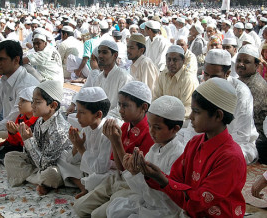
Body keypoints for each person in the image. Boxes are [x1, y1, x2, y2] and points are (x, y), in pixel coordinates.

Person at [135, 78, 247, 218]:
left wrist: (162, 179)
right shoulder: (195, 143)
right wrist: (151, 174)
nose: (191, 116)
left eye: (196, 111)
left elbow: (198, 201)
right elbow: (175, 179)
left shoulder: (231, 157)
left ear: (218, 115)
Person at [73, 81, 154, 218]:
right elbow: (118, 165)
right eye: (120, 105)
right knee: (79, 208)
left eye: (126, 105)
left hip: (133, 185)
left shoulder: (149, 133)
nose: (121, 110)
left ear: (143, 107)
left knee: (97, 215)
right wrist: (113, 140)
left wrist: (115, 142)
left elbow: (131, 170)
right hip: (118, 177)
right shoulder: (124, 127)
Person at [106, 95, 186, 218]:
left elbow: (165, 198)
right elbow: (142, 190)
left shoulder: (177, 156)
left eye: (157, 127)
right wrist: (132, 171)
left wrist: (136, 175)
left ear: (175, 129)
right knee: (114, 209)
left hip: (164, 210)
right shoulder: (155, 148)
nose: (151, 131)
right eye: (149, 125)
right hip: (148, 202)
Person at [4, 80, 71, 196]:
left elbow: (46, 165)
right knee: (10, 157)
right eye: (32, 101)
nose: (33, 106)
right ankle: (38, 181)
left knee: (51, 175)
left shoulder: (58, 129)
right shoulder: (41, 120)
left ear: (53, 105)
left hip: (56, 168)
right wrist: (29, 140)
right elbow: (31, 154)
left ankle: (37, 180)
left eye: (37, 102)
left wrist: (28, 141)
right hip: (39, 163)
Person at [58, 87, 112, 199]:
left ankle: (84, 185)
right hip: (89, 170)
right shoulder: (87, 127)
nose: (77, 116)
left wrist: (80, 148)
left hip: (102, 174)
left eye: (81, 112)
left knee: (99, 178)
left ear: (98, 114)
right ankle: (83, 185)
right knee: (61, 157)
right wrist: (76, 146)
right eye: (77, 111)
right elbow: (73, 160)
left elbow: (100, 169)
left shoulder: (107, 132)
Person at [67, 40, 133, 117]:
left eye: (104, 52)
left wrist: (99, 118)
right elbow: (91, 96)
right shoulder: (100, 77)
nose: (100, 56)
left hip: (115, 120)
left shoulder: (124, 77)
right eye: (99, 52)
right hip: (99, 117)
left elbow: (122, 109)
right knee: (72, 117)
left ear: (115, 55)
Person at [0, 86, 38, 164]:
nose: (19, 104)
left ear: (34, 103)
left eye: (23, 101)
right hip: (20, 147)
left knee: (12, 157)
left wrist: (17, 133)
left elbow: (29, 146)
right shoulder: (20, 118)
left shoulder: (38, 121)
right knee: (2, 151)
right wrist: (12, 133)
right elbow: (13, 142)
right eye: (20, 100)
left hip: (30, 152)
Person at [236, 45, 267, 164]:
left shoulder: (257, 86)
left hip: (254, 136)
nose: (241, 64)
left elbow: (246, 117)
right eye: (239, 60)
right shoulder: (240, 80)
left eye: (246, 62)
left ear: (256, 65)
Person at [153, 45, 199, 120]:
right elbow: (156, 98)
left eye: (175, 60)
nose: (171, 63)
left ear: (183, 61)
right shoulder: (163, 75)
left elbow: (188, 107)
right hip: (164, 117)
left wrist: (168, 115)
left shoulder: (188, 78)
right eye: (169, 60)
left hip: (184, 120)